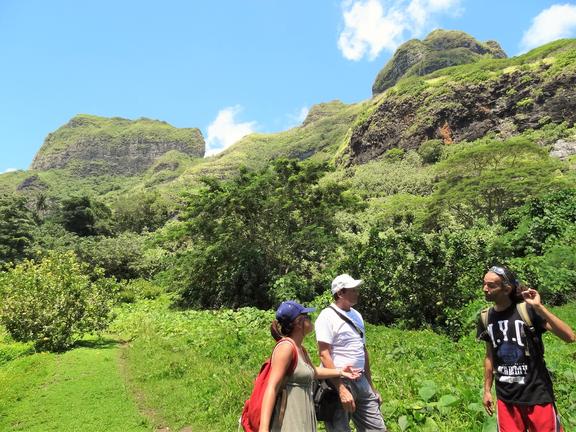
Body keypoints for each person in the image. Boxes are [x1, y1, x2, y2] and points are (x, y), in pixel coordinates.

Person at [477, 265, 575, 432]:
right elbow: (489, 356)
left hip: (537, 395)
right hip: (506, 399)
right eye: (484, 284)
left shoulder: (526, 310)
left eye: (491, 285)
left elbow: (569, 337)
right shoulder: (485, 317)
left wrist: (539, 307)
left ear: (506, 289)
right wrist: (487, 390)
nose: (485, 289)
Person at [259, 300, 361, 432]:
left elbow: (314, 372)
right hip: (290, 417)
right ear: (299, 322)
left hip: (304, 415)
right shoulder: (286, 348)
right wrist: (263, 428)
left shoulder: (301, 349)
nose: (311, 320)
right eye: (307, 317)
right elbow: (272, 387)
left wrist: (340, 372)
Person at [314, 274, 387, 432]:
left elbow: (362, 350)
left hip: (361, 379)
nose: (357, 293)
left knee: (377, 428)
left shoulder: (356, 315)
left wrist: (371, 386)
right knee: (340, 428)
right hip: (339, 381)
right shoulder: (326, 316)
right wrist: (340, 388)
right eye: (353, 290)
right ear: (340, 293)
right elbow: (324, 354)